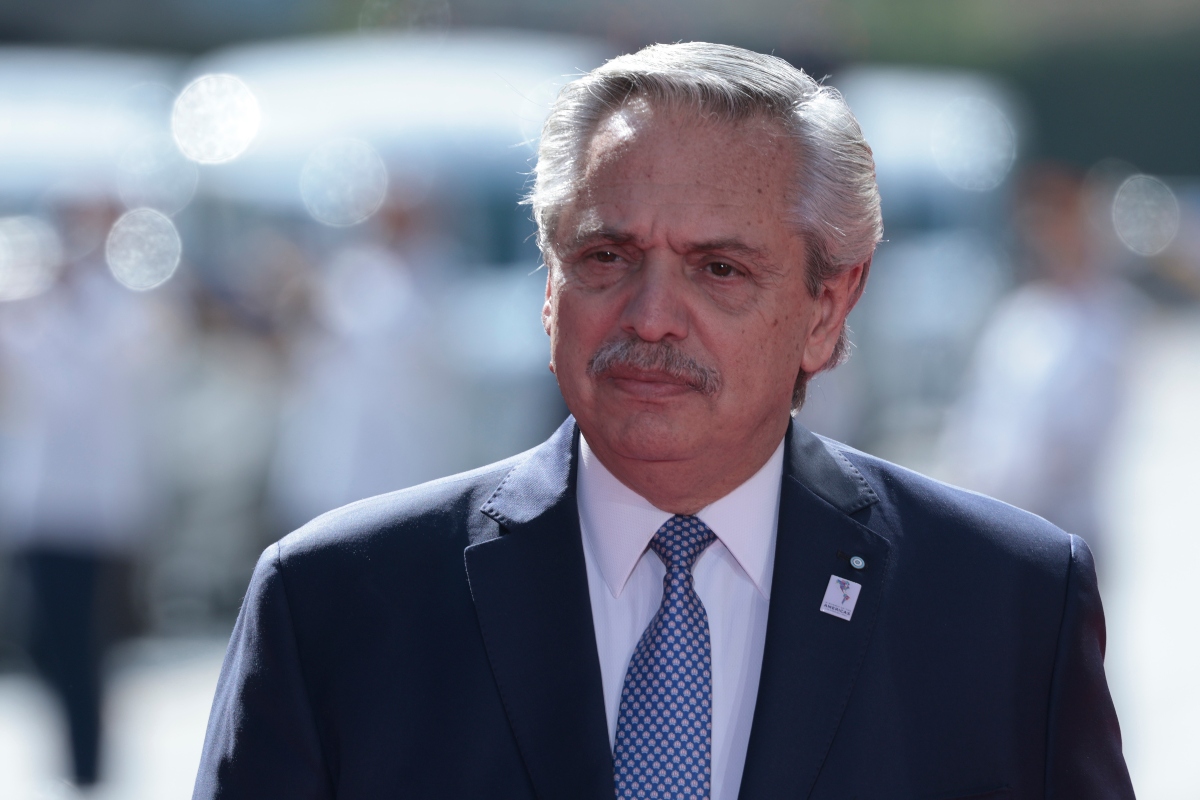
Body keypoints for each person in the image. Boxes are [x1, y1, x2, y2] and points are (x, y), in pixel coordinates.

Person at [194, 43, 1133, 799]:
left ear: (827, 308)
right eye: (607, 256)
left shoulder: (1003, 607)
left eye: (719, 269)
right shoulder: (334, 606)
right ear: (550, 285)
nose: (650, 317)